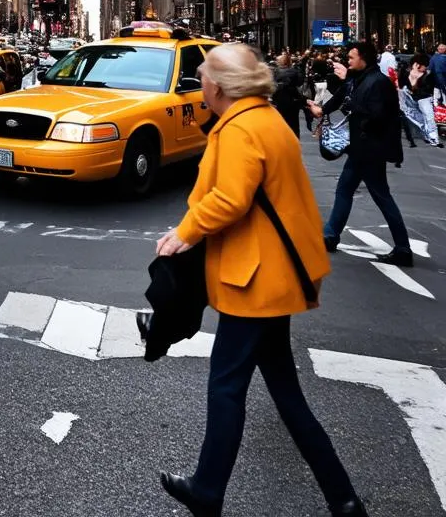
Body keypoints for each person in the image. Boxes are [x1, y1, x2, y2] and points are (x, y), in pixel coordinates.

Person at [156, 43, 367, 517]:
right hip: (276, 275)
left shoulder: (240, 129)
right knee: (286, 396)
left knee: (226, 387)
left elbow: (231, 199)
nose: (201, 83)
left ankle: (208, 491)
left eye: (205, 76)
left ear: (219, 85)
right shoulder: (265, 117)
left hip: (253, 281)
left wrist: (183, 233)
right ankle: (343, 498)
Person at [307, 42, 413, 267]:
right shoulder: (361, 79)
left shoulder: (377, 82)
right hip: (362, 148)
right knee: (345, 188)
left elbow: (375, 115)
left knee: (380, 196)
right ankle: (330, 235)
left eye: (352, 57)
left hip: (369, 150)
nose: (348, 61)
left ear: (363, 58)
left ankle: (403, 248)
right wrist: (323, 109)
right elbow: (343, 98)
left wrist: (351, 111)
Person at [401, 53, 441, 148]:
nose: (426, 68)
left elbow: (429, 87)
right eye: (424, 66)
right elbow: (403, 85)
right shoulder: (407, 72)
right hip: (412, 98)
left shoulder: (428, 75)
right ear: (417, 65)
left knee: (429, 118)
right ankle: (428, 134)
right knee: (414, 116)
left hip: (424, 98)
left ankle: (433, 138)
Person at [271, 49, 305, 137]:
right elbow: (300, 82)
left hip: (278, 101)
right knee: (293, 124)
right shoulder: (294, 71)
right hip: (292, 101)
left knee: (279, 123)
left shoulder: (275, 72)